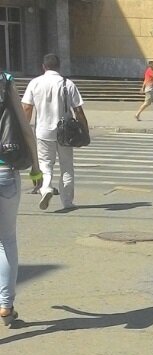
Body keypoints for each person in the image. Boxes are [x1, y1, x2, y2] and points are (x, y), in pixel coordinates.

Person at [22, 53, 88, 211]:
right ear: (59, 66)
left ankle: (45, 188)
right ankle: (67, 202)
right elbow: (78, 110)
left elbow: (27, 107)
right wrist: (84, 129)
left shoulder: (35, 83)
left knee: (45, 163)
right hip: (66, 133)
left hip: (43, 131)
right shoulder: (68, 83)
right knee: (66, 166)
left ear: (43, 67)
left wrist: (23, 130)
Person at [1, 70, 40, 325]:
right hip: (5, 171)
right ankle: (5, 304)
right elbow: (25, 128)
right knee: (6, 240)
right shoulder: (4, 80)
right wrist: (36, 167)